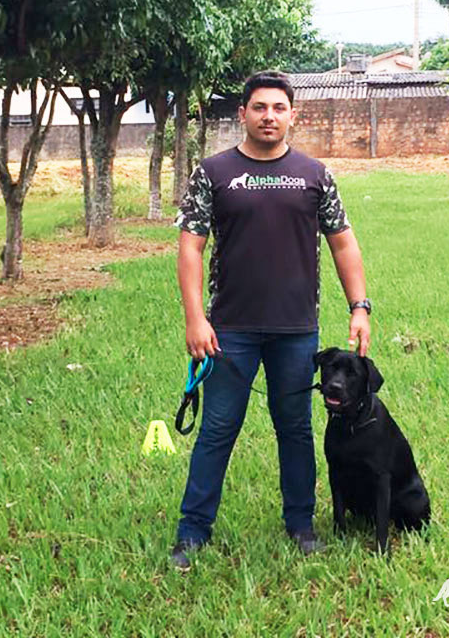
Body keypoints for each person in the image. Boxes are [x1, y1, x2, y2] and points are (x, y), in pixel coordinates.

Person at [171, 70, 371, 570]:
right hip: (228, 331)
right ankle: (193, 531)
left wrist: (360, 307)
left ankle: (301, 525)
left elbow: (343, 242)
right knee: (218, 430)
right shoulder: (213, 172)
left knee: (296, 430)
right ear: (243, 113)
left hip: (296, 330)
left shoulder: (315, 175)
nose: (269, 116)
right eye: (259, 107)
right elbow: (191, 248)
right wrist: (195, 318)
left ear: (292, 116)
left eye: (279, 108)